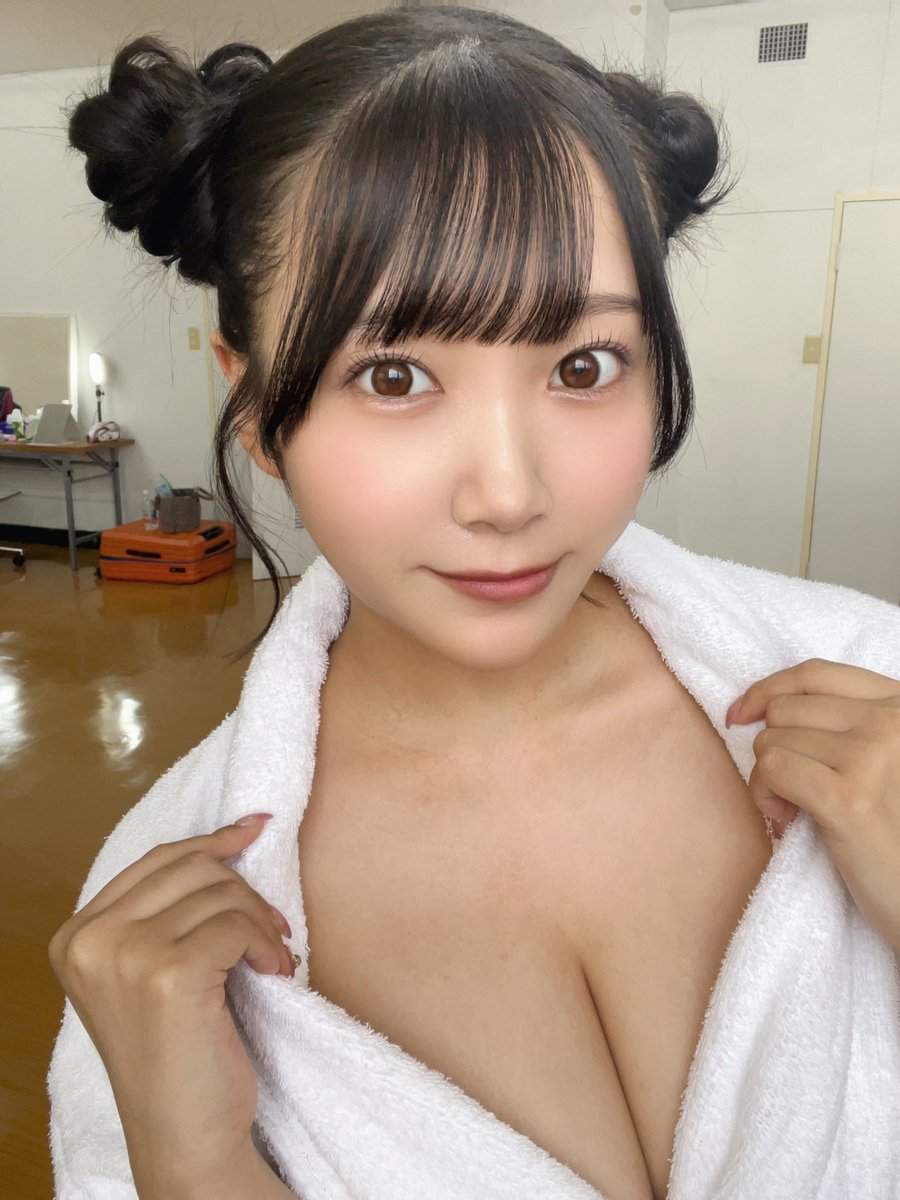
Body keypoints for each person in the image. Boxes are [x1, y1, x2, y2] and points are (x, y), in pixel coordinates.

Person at [47, 7, 900, 1200]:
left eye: (583, 366)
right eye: (394, 376)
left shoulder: (876, 687)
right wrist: (191, 1159)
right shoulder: (160, 919)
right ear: (253, 406)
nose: (509, 495)